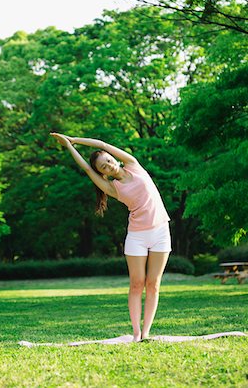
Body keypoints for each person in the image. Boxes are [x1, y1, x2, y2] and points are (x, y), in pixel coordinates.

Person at [50, 132, 172, 342]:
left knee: (153, 284)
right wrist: (69, 147)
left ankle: (146, 332)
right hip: (137, 236)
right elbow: (87, 168)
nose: (109, 165)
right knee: (137, 283)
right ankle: (136, 333)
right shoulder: (112, 187)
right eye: (103, 167)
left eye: (108, 160)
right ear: (103, 174)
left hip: (161, 231)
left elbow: (102, 143)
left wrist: (73, 139)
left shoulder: (133, 164)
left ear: (113, 157)